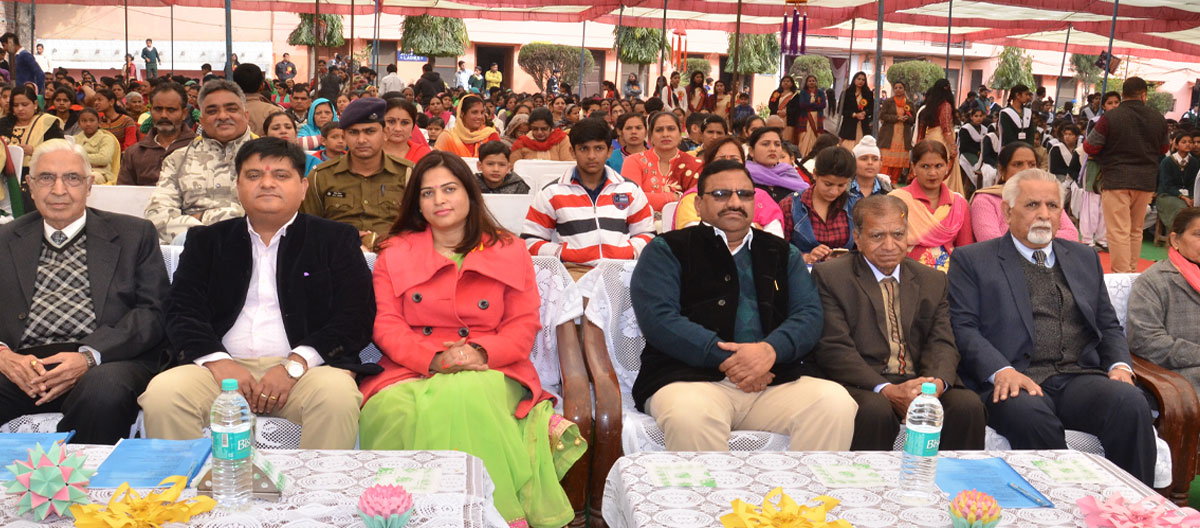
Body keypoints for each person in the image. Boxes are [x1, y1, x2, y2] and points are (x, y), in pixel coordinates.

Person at [360, 150, 583, 527]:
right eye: (427, 193)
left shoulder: (509, 249)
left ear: (470, 192)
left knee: (467, 393)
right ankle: (412, 517)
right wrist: (433, 360)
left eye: (449, 189)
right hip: (411, 367)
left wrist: (479, 352)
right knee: (395, 409)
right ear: (417, 203)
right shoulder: (395, 251)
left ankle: (488, 517)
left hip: (493, 366)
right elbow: (386, 325)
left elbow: (522, 324)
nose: (439, 200)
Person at [140, 137, 377, 450]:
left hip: (307, 371)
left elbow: (356, 314)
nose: (267, 184)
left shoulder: (334, 239)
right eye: (253, 175)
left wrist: (295, 364)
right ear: (237, 186)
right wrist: (219, 363)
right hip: (217, 371)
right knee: (164, 395)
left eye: (281, 175)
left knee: (337, 396)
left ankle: (314, 484)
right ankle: (184, 483)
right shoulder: (207, 241)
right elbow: (182, 310)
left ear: (303, 187)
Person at [629, 158, 857, 451]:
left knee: (834, 404)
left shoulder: (782, 252)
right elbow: (659, 319)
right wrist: (730, 359)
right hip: (688, 381)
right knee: (690, 418)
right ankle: (711, 486)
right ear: (698, 204)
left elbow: (809, 316)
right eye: (721, 194)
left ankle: (801, 485)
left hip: (773, 380)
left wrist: (769, 351)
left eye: (745, 194)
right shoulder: (667, 249)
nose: (735, 202)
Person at [947, 168, 1155, 485]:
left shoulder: (1084, 257)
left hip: (1077, 376)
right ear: (1007, 212)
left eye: (1052, 206)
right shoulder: (973, 260)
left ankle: (1131, 504)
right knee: (1029, 416)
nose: (1044, 215)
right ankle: (1065, 501)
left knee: (1130, 403)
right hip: (1014, 378)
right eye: (1032, 205)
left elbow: (1107, 323)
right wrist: (1001, 371)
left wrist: (1119, 366)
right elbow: (963, 327)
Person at [0, 139, 168, 443]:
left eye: (72, 178)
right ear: (30, 186)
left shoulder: (134, 234)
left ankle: (74, 473)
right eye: (46, 178)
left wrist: (89, 356)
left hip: (106, 360)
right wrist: (2, 355)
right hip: (22, 365)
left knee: (104, 392)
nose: (59, 190)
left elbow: (153, 312)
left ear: (89, 185)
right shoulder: (5, 239)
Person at [812, 194, 985, 451]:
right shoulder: (832, 276)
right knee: (875, 410)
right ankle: (869, 478)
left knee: (966, 406)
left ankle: (954, 477)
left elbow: (942, 342)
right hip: (863, 382)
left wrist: (933, 387)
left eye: (898, 234)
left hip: (919, 380)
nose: (890, 245)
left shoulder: (932, 279)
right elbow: (834, 348)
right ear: (857, 238)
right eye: (877, 236)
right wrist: (885, 389)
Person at [522, 118, 655, 278]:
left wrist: (628, 252)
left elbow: (647, 233)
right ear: (572, 152)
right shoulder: (552, 193)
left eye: (598, 148)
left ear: (609, 151)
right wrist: (562, 254)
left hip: (622, 271)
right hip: (574, 272)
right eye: (584, 149)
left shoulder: (629, 190)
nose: (591, 156)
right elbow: (531, 239)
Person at [145, 80, 254, 244]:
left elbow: (272, 216)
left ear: (246, 115)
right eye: (212, 111)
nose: (223, 116)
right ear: (201, 121)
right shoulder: (178, 160)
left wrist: (200, 217)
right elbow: (157, 218)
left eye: (231, 109)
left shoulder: (268, 157)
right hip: (192, 250)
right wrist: (230, 219)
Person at [302, 97, 413, 249]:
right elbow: (308, 229)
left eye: (370, 131)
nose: (361, 140)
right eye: (353, 132)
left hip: (395, 256)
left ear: (385, 133)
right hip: (338, 257)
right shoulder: (320, 177)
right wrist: (342, 237)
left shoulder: (408, 174)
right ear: (344, 136)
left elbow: (421, 228)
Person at [1084, 77, 1170, 273]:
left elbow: (1090, 146)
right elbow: (1164, 148)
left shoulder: (1110, 117)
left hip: (1116, 179)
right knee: (1135, 230)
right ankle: (1131, 271)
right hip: (1146, 181)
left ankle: (1121, 275)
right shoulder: (1158, 118)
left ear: (1123, 95)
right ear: (1144, 95)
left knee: (1118, 231)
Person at [1127, 207, 1200, 394]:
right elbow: (1145, 341)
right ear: (1175, 240)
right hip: (1180, 378)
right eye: (1198, 235)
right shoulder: (1155, 281)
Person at [673, 137, 784, 237]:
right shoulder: (695, 198)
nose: (728, 164)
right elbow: (695, 237)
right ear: (708, 165)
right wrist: (755, 227)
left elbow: (775, 239)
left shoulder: (760, 196)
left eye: (734, 159)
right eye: (721, 159)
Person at [890, 140, 973, 271]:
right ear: (913, 167)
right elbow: (889, 244)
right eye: (925, 166)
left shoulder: (959, 203)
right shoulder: (897, 200)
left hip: (950, 273)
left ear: (947, 166)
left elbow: (966, 249)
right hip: (907, 272)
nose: (933, 173)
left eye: (939, 166)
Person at [972, 142, 1078, 243]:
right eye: (1018, 164)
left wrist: (1028, 237)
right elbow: (991, 240)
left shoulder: (1048, 197)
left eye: (1032, 164)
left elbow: (1072, 235)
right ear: (1001, 169)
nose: (1026, 169)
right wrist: (1042, 236)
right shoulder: (986, 200)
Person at [621, 112, 701, 213]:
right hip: (642, 222)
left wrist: (649, 198)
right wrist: (674, 197)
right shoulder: (634, 161)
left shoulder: (694, 164)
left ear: (680, 134)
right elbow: (631, 198)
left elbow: (696, 203)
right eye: (659, 130)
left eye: (671, 129)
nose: (665, 134)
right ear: (651, 137)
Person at [117, 82, 195, 186]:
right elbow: (123, 192)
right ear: (150, 111)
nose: (164, 115)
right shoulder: (134, 153)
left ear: (184, 113)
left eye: (171, 110)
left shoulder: (201, 149)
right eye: (158, 109)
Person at [789, 146, 858, 263]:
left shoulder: (856, 206)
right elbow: (779, 249)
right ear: (815, 174)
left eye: (841, 185)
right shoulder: (791, 205)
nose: (834, 191)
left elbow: (865, 248)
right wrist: (805, 257)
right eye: (828, 184)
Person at [1, 85, 65, 178]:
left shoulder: (47, 123)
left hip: (39, 174)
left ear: (35, 104)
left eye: (24, 104)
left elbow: (61, 150)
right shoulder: (3, 123)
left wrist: (34, 151)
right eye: (16, 105)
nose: (20, 109)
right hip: (5, 175)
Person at [915, 79, 965, 196]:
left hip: (930, 138)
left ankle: (926, 193)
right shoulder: (945, 105)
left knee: (929, 167)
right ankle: (943, 196)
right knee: (941, 168)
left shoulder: (930, 105)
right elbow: (946, 128)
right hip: (942, 141)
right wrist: (952, 146)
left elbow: (922, 127)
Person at [745, 127, 807, 202]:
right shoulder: (744, 175)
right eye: (765, 144)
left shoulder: (788, 173)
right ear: (751, 151)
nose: (773, 149)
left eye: (777, 144)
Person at [1158, 131, 1199, 232]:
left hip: (1188, 196)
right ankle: (1177, 233)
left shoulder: (1194, 162)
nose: (1188, 144)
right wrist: (1183, 197)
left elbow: (1193, 183)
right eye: (1184, 142)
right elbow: (1167, 185)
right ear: (1176, 145)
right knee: (1182, 207)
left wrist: (1192, 197)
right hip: (1167, 195)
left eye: (1190, 142)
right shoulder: (1167, 162)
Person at [435, 95, 501, 157]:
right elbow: (437, 162)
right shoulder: (447, 137)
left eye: (482, 112)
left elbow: (498, 160)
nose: (480, 117)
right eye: (474, 112)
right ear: (462, 114)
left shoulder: (490, 135)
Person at [262, 111, 322, 175]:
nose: (283, 131)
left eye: (288, 127)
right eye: (276, 128)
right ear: (265, 136)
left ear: (296, 135)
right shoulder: (258, 162)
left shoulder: (312, 163)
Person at [877, 80, 913, 184]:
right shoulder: (888, 102)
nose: (898, 90)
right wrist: (897, 118)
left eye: (900, 88)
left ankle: (894, 182)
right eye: (896, 88)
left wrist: (907, 118)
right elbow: (882, 116)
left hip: (903, 136)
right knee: (885, 161)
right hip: (888, 135)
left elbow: (913, 119)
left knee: (899, 162)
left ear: (904, 89)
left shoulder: (909, 103)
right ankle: (882, 182)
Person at [73, 108, 120, 185]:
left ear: (99, 122)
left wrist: (79, 157)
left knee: (90, 178)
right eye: (84, 121)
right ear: (79, 123)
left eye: (92, 120)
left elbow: (104, 159)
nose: (88, 124)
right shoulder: (74, 139)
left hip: (100, 172)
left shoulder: (106, 138)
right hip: (77, 171)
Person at [382, 97, 431, 166]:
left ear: (413, 126)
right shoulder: (371, 152)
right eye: (391, 121)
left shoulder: (423, 155)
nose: (398, 129)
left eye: (405, 123)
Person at [788, 75, 826, 157]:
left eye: (813, 81)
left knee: (816, 135)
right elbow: (802, 105)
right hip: (805, 117)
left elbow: (823, 105)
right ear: (806, 83)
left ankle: (815, 156)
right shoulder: (803, 92)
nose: (811, 82)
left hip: (817, 117)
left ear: (816, 82)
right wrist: (815, 105)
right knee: (804, 136)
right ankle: (803, 155)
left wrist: (810, 105)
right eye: (809, 81)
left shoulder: (820, 92)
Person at [849, 136, 893, 201]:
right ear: (853, 163)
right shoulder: (843, 190)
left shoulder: (887, 192)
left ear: (880, 164)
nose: (870, 163)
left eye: (875, 159)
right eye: (864, 159)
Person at [838, 72, 873, 149]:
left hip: (863, 125)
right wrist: (854, 115)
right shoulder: (846, 93)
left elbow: (872, 109)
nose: (861, 81)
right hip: (849, 126)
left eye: (863, 80)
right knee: (847, 150)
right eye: (859, 79)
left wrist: (865, 113)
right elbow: (840, 110)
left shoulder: (868, 94)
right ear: (854, 80)